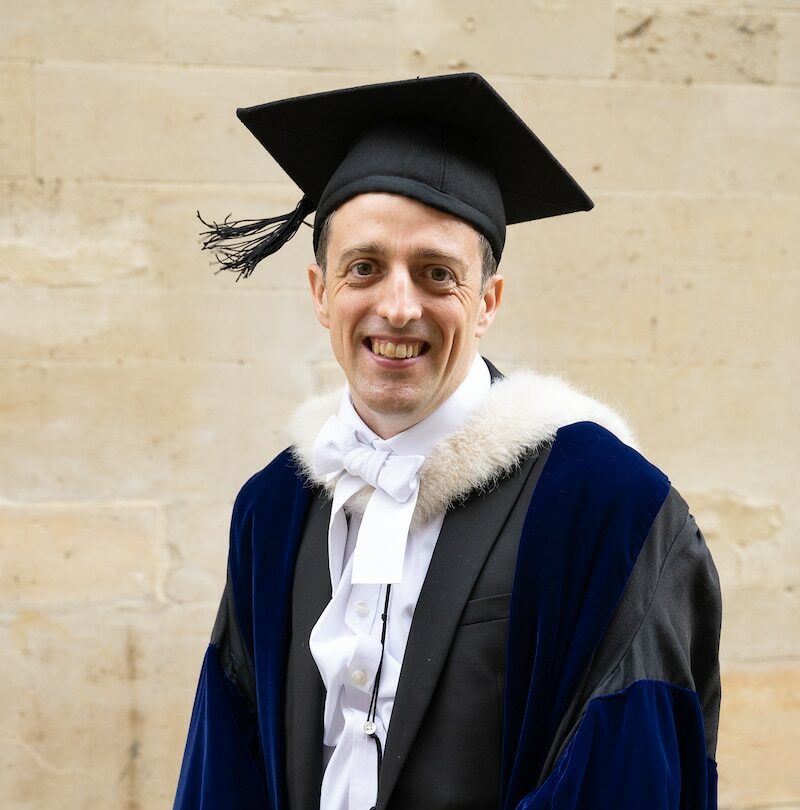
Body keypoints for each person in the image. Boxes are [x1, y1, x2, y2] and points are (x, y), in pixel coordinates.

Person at [174, 73, 721, 810]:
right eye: (364, 267)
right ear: (320, 292)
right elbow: (226, 770)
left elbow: (624, 778)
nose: (398, 307)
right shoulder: (273, 508)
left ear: (487, 302)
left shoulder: (607, 509)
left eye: (437, 275)